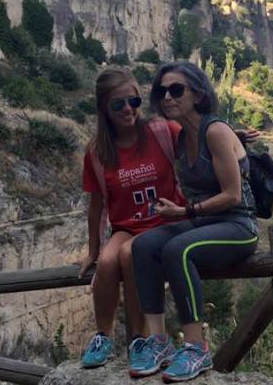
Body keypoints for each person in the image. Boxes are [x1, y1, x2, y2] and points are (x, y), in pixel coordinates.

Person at [129, 62, 259, 382]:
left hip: (238, 225)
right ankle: (158, 342)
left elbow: (232, 195)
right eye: (162, 91)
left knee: (177, 250)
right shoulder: (181, 137)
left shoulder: (214, 131)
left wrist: (185, 212)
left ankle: (196, 348)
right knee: (144, 245)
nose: (168, 97)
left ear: (198, 93)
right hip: (204, 221)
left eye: (177, 90)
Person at [78, 67, 186, 368]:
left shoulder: (163, 132)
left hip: (167, 221)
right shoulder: (98, 152)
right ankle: (103, 335)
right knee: (108, 261)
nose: (128, 109)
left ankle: (142, 339)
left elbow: (198, 145)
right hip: (126, 225)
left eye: (134, 102)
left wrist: (229, 137)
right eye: (118, 104)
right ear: (104, 109)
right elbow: (96, 206)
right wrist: (93, 252)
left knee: (130, 253)